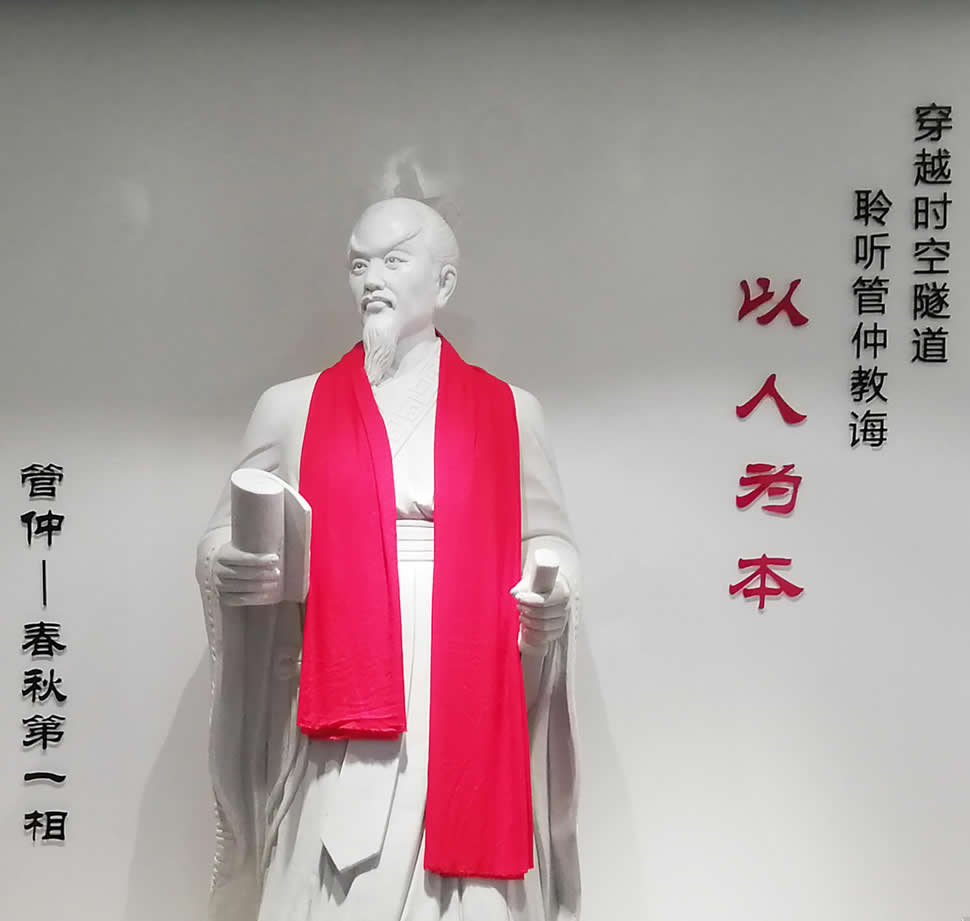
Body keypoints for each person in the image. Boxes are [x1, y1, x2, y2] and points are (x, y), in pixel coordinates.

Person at [195, 197, 581, 921]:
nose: (371, 279)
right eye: (358, 264)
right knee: (333, 860)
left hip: (465, 666)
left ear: (444, 283)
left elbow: (548, 537)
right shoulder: (291, 407)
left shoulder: (509, 410)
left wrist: (552, 591)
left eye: (393, 261)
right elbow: (221, 534)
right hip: (340, 673)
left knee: (468, 879)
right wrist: (229, 565)